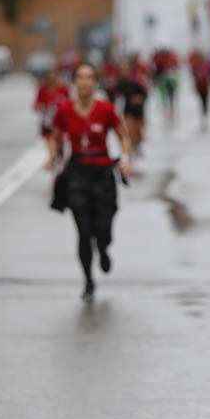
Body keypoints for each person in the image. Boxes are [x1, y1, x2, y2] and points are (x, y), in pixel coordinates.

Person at [47, 64, 134, 301]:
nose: (84, 82)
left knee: (102, 228)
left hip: (103, 173)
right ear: (74, 82)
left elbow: (123, 135)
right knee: (83, 231)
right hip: (77, 173)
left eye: (89, 78)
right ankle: (88, 280)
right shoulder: (64, 110)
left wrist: (125, 159)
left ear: (95, 83)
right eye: (80, 78)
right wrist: (52, 155)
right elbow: (54, 137)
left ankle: (104, 248)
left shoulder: (105, 109)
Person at [115, 58, 149, 155]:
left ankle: (138, 145)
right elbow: (117, 94)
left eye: (126, 69)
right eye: (123, 69)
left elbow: (145, 94)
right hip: (128, 109)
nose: (124, 71)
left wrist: (139, 98)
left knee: (138, 132)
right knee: (129, 130)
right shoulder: (121, 82)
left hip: (139, 110)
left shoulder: (138, 80)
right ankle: (132, 149)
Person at [34, 68, 70, 149]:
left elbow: (70, 103)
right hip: (48, 124)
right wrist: (41, 107)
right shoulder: (42, 90)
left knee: (62, 147)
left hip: (61, 124)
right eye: (49, 78)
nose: (51, 80)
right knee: (52, 151)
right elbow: (36, 104)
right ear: (46, 79)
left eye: (53, 77)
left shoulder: (63, 89)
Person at [188, 48, 210, 128]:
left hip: (206, 87)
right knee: (201, 101)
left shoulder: (208, 65)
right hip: (199, 87)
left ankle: (206, 115)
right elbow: (193, 75)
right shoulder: (195, 65)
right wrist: (194, 84)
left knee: (206, 101)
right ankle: (203, 115)